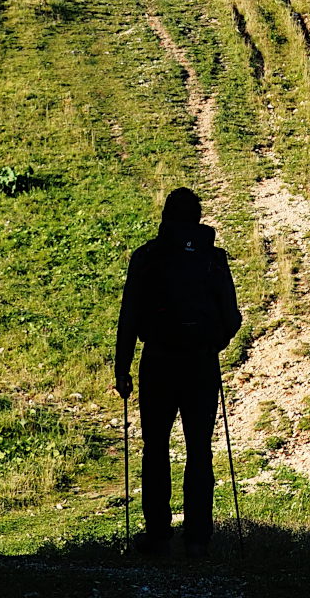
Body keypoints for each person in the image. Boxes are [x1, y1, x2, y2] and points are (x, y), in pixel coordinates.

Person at [114, 187, 242, 558]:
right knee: (199, 450)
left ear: (166, 217)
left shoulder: (147, 257)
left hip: (157, 362)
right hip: (200, 363)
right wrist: (212, 344)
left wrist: (122, 368)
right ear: (198, 218)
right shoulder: (212, 258)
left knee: (155, 448)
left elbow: (129, 317)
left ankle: (158, 535)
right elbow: (232, 316)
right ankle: (198, 538)